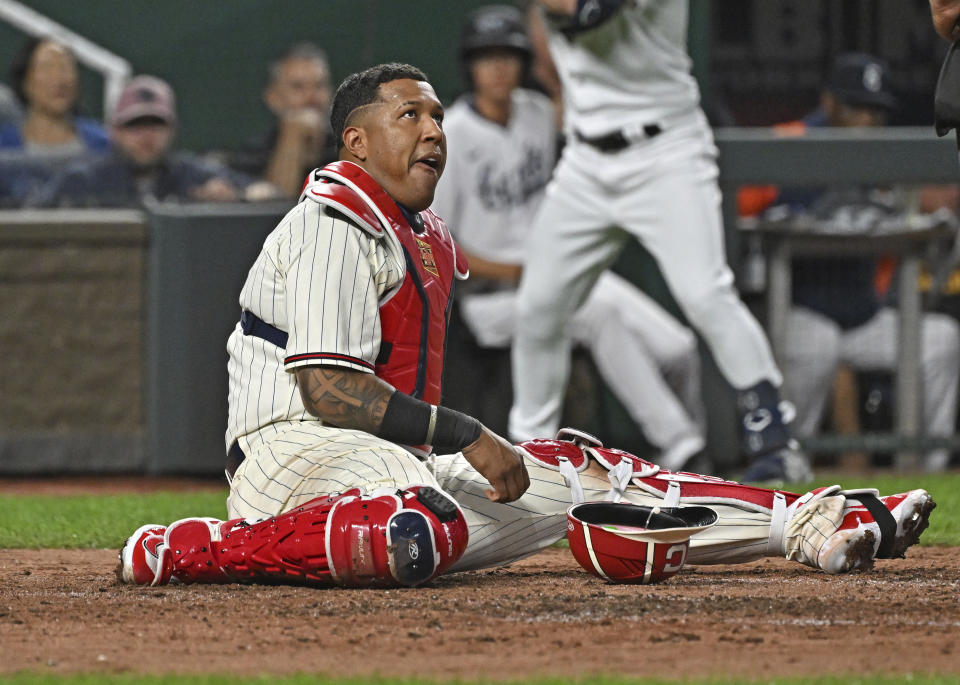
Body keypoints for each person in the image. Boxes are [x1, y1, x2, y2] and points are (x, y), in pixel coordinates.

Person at [116, 62, 933, 591]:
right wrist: (467, 433)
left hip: (387, 464)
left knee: (585, 471)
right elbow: (328, 389)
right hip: (288, 453)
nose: (434, 129)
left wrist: (472, 453)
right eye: (410, 116)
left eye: (437, 116)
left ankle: (812, 520)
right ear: (357, 141)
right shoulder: (335, 217)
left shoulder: (421, 234)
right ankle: (196, 548)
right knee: (415, 520)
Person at [508, 1, 807, 483]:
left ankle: (775, 437)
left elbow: (583, 10)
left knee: (705, 293)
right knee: (538, 308)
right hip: (585, 161)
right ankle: (529, 451)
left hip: (665, 153)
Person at [432, 5, 706, 470]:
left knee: (678, 347)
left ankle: (690, 459)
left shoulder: (539, 113)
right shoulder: (451, 133)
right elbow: (442, 247)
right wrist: (524, 269)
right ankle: (682, 446)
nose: (498, 67)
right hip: (490, 299)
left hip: (559, 277)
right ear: (470, 65)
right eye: (487, 57)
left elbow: (567, 78)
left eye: (508, 55)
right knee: (597, 315)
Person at [742, 53, 960, 472]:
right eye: (857, 107)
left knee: (941, 339)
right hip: (797, 313)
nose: (867, 120)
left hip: (863, 320)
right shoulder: (787, 144)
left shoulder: (880, 157)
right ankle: (787, 467)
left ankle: (927, 470)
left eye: (876, 111)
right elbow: (739, 216)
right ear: (829, 103)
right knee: (817, 343)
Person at [34, 75, 271, 207]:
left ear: (173, 129)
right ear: (114, 131)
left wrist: (237, 198)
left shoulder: (191, 173)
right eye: (135, 125)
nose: (147, 135)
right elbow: (29, 220)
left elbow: (267, 193)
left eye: (156, 124)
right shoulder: (82, 180)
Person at [224, 42, 337, 198]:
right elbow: (271, 212)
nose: (312, 97)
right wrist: (292, 137)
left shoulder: (349, 150)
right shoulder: (251, 157)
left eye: (319, 86)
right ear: (273, 98)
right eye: (298, 87)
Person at [0, 37, 108, 155]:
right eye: (46, 67)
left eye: (65, 67)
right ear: (25, 81)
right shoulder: (5, 148)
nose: (59, 79)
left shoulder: (103, 145)